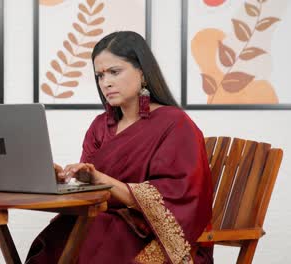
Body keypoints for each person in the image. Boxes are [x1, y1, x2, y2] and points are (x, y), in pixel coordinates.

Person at [26, 31, 214, 264]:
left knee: (90, 233)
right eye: (99, 75)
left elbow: (178, 201)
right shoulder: (100, 127)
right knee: (61, 233)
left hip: (150, 235)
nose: (106, 82)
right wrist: (65, 179)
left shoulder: (175, 124)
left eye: (114, 72)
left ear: (143, 73)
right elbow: (90, 190)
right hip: (100, 222)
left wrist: (101, 179)